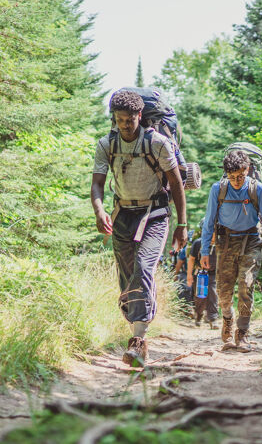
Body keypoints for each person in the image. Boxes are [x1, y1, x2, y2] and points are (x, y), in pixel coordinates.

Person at [91, 89, 188, 366]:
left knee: (144, 268)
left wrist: (181, 224)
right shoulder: (106, 144)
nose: (125, 124)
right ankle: (135, 322)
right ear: (114, 118)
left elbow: (177, 184)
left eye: (130, 119)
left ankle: (139, 341)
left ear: (140, 115)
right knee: (126, 278)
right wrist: (100, 212)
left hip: (155, 213)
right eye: (120, 119)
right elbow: (97, 184)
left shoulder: (157, 143)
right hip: (122, 213)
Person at [200, 150, 262, 352]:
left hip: (251, 241)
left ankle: (242, 333)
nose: (236, 181)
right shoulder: (218, 189)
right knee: (224, 293)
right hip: (225, 242)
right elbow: (208, 222)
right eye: (232, 177)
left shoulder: (257, 189)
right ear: (226, 173)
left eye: (240, 176)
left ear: (248, 170)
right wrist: (204, 251)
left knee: (246, 284)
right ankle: (227, 318)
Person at [187, 226, 219, 328]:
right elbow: (191, 259)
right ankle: (199, 316)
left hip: (214, 274)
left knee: (213, 295)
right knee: (200, 297)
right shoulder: (198, 243)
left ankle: (213, 319)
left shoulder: (220, 244)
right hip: (200, 273)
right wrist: (189, 275)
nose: (214, 235)